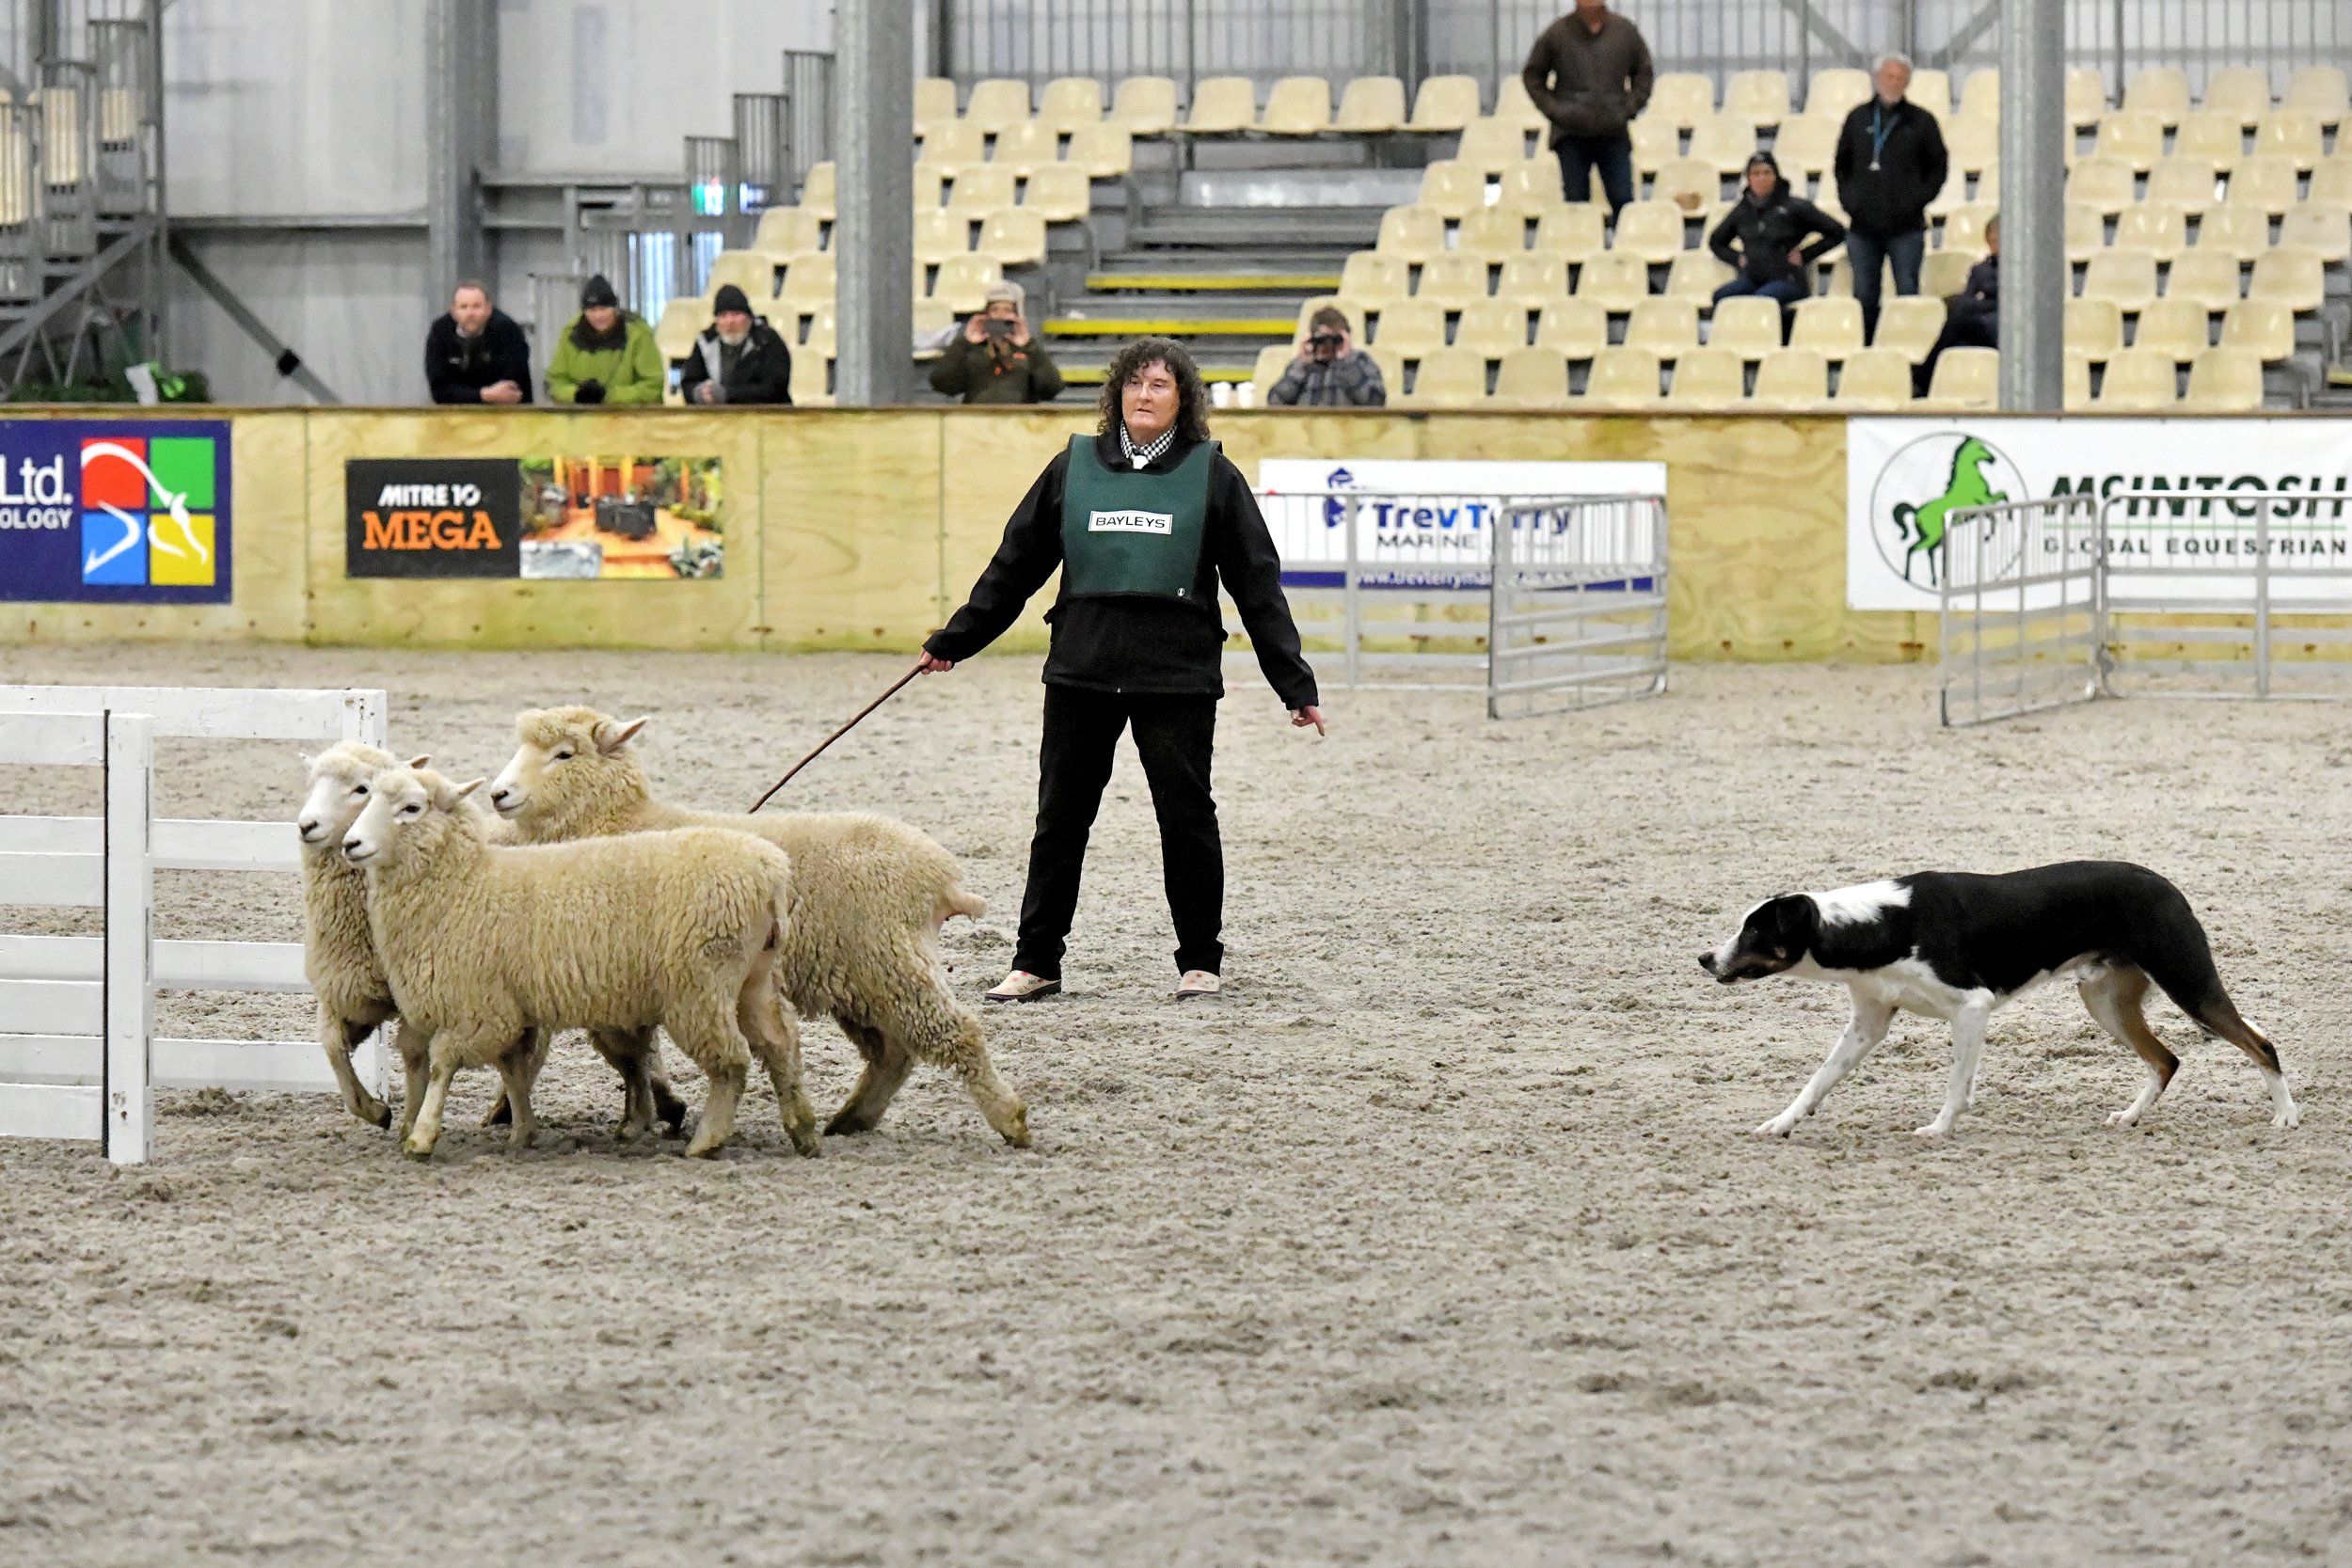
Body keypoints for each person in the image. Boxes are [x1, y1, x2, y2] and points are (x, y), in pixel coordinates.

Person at [915, 337, 1324, 1006]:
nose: (1144, 395)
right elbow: (1015, 566)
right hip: (1081, 671)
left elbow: (1257, 586)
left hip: (1177, 679)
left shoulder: (1214, 476)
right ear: (1115, 395)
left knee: (1186, 818)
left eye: (1160, 385)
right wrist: (956, 640)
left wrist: (1294, 684)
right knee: (1060, 819)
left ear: (1183, 400)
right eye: (1133, 384)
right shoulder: (1071, 468)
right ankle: (1036, 960)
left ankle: (1200, 961)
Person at [1832, 54, 1949, 343]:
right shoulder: (1857, 118)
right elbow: (1841, 166)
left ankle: (1907, 349)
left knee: (1907, 293)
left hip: (1906, 228)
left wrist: (1917, 200)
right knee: (1864, 296)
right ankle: (1867, 355)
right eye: (1889, 76)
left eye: (1900, 77)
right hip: (1862, 229)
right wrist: (1852, 203)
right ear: (1876, 79)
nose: (1894, 82)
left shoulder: (1922, 121)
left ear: (1908, 82)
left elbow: (1938, 167)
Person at [1521, 0, 1654, 215]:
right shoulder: (1557, 33)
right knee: (1576, 206)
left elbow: (1643, 72)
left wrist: (1627, 109)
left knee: (1623, 202)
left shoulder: (1625, 31)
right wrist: (1557, 111)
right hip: (1571, 136)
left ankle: (1624, 247)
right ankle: (1578, 248)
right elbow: (1533, 75)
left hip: (1614, 133)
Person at [1708, 152, 1845, 316]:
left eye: (1767, 173)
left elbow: (1837, 231)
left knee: (1761, 301)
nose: (1761, 178)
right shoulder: (1742, 210)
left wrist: (1805, 255)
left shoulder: (1795, 207)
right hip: (1752, 277)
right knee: (1721, 297)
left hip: (1787, 278)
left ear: (1776, 176)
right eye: (1756, 174)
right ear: (1749, 179)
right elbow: (1716, 241)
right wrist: (1737, 258)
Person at [929, 280, 1063, 404]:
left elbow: (1052, 389)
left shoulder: (1029, 350)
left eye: (1007, 310)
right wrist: (965, 343)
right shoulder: (970, 349)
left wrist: (1029, 346)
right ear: (984, 315)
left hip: (1019, 423)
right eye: (994, 309)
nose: (1000, 315)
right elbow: (941, 384)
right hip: (976, 422)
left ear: (1017, 316)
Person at [546, 275, 664, 405]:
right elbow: (556, 383)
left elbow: (653, 385)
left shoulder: (637, 335)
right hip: (581, 418)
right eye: (592, 310)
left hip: (629, 418)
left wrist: (608, 396)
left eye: (604, 309)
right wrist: (577, 394)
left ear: (615, 308)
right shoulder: (571, 335)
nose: (598, 316)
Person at [1915, 214, 1997, 397]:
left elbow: (2006, 301)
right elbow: (1971, 299)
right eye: (1991, 239)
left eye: (1997, 239)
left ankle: (1922, 379)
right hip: (1977, 324)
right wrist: (1981, 303)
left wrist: (1980, 303)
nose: (1994, 244)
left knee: (1958, 315)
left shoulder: (2019, 269)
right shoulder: (1980, 269)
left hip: (2000, 329)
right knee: (1958, 340)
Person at [677, 283, 793, 405]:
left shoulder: (767, 341)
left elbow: (775, 389)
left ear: (749, 317)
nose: (730, 322)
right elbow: (689, 381)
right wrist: (700, 393)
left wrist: (727, 395)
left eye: (736, 314)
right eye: (723, 316)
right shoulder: (705, 342)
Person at [425, 280, 531, 405]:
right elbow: (440, 390)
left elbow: (512, 389)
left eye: (476, 306)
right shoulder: (440, 331)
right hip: (454, 414)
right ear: (453, 312)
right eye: (463, 307)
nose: (470, 314)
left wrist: (465, 394)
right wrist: (484, 395)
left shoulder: (508, 330)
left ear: (489, 309)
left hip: (504, 413)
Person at [1266, 306, 1386, 407]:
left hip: (1345, 430)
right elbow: (1275, 402)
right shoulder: (1301, 366)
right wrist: (1300, 369)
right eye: (1321, 339)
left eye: (1333, 339)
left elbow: (1375, 403)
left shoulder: (1360, 361)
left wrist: (1347, 364)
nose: (1327, 345)